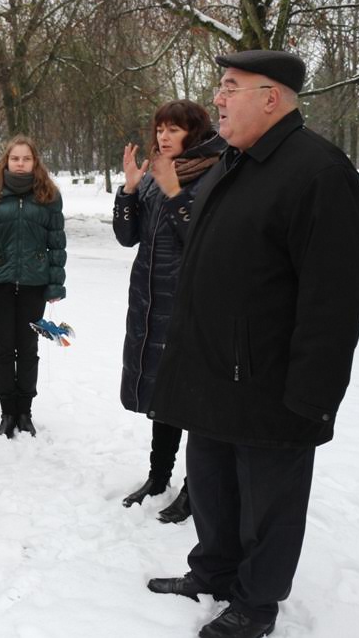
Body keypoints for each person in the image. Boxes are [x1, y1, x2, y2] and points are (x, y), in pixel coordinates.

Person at [146, 50, 359, 638]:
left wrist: (313, 396)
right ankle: (213, 572)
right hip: (211, 373)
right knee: (213, 488)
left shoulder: (319, 173)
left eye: (230, 87)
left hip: (271, 385)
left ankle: (256, 603)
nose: (217, 99)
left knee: (268, 506)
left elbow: (334, 300)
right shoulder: (232, 161)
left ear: (271, 98)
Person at [114, 101, 225, 523]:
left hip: (190, 303)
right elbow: (128, 236)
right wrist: (130, 189)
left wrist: (175, 191)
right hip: (149, 300)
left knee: (191, 398)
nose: (163, 136)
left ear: (193, 133)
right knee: (162, 394)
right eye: (160, 128)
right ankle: (158, 476)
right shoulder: (155, 174)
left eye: (173, 129)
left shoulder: (214, 174)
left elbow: (204, 241)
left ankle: (196, 490)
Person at [0, 135, 66, 438]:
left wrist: (55, 284)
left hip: (34, 284)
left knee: (28, 348)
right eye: (15, 158)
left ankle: (25, 411)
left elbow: (56, 243)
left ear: (34, 162)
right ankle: (7, 411)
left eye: (26, 158)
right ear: (6, 161)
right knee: (4, 347)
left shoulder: (48, 195)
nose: (20, 163)